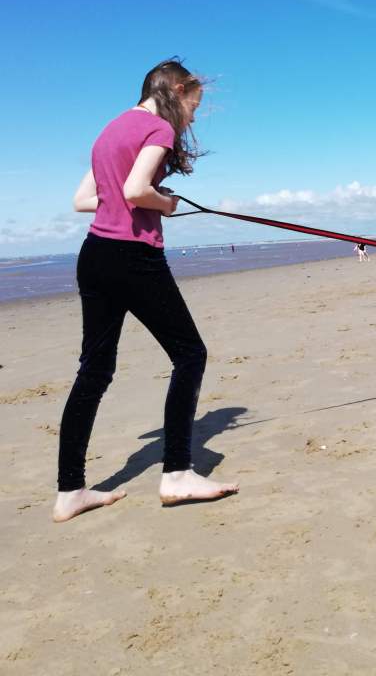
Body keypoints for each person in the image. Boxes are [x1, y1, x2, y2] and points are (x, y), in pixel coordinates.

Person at [53, 59, 239, 523]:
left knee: (94, 372)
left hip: (93, 255)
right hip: (132, 257)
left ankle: (69, 491)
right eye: (193, 106)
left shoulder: (110, 130)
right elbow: (136, 190)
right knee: (190, 354)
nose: (192, 118)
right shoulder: (159, 130)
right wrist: (167, 204)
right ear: (177, 89)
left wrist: (134, 195)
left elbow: (83, 201)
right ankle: (177, 473)